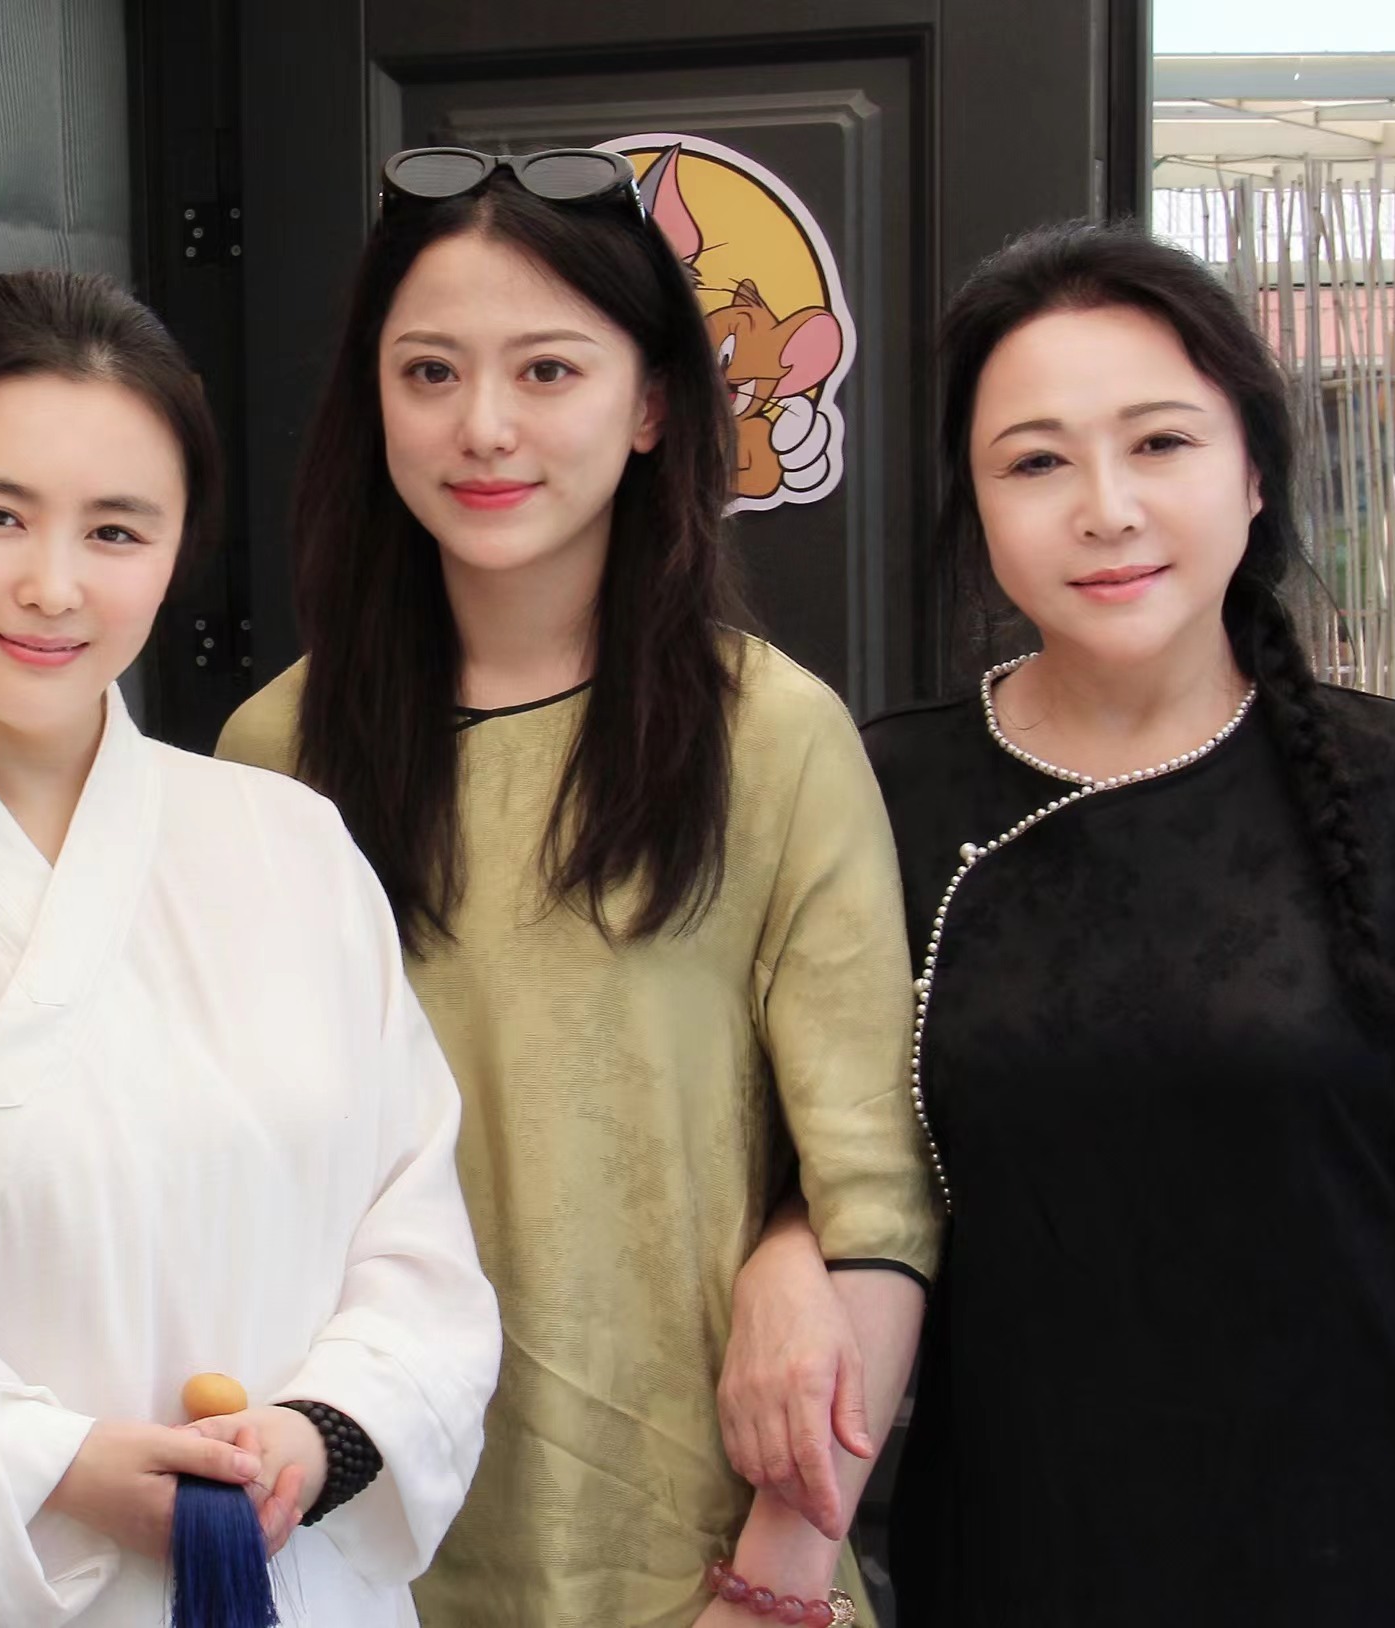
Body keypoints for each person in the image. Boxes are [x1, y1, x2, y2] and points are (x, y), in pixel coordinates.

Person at [0, 268, 500, 1626]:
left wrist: (316, 1438)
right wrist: (56, 1468)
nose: (52, 586)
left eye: (116, 530)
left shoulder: (291, 848)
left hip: (290, 1577)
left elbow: (416, 1238)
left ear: (178, 549)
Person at [214, 147, 941, 1628]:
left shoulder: (771, 736)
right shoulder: (270, 756)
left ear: (652, 403)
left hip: (706, 1569)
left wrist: (777, 1577)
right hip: (362, 1557)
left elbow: (876, 1192)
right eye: (428, 372)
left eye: (548, 369)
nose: (483, 425)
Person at [836, 219, 1395, 1623]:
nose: (1105, 508)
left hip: (1371, 1562)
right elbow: (824, 1176)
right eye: (1035, 462)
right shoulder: (879, 794)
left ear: (1252, 471)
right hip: (1013, 1559)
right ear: (976, 503)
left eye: (1160, 443)